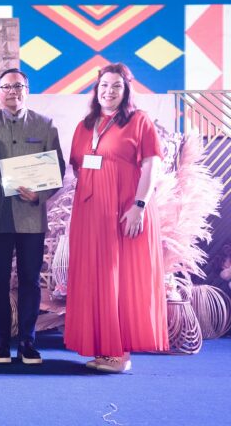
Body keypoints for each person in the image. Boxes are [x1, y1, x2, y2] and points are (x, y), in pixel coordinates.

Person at [65, 62, 168, 373]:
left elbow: (152, 165)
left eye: (116, 86)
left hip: (124, 210)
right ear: (96, 90)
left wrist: (139, 204)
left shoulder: (139, 121)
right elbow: (77, 167)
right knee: (96, 277)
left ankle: (118, 354)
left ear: (126, 91)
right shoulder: (84, 125)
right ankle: (104, 348)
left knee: (117, 277)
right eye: (104, 86)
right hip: (89, 213)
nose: (109, 92)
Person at [0, 69, 66, 365]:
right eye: (6, 86)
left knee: (30, 280)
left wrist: (39, 195)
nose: (12, 91)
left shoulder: (45, 124)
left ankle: (27, 341)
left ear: (27, 89)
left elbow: (58, 169)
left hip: (31, 216)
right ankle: (0, 342)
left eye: (18, 86)